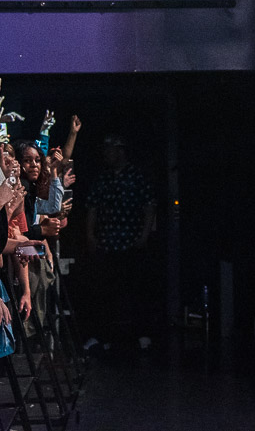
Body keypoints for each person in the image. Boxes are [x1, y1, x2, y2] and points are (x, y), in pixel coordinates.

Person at [84, 135, 155, 350]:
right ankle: (103, 337)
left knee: (135, 290)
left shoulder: (136, 177)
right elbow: (93, 208)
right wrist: (90, 236)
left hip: (131, 242)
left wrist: (144, 236)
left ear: (121, 151)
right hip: (107, 242)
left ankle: (140, 335)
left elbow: (149, 206)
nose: (107, 154)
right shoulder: (103, 178)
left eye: (111, 149)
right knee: (105, 292)